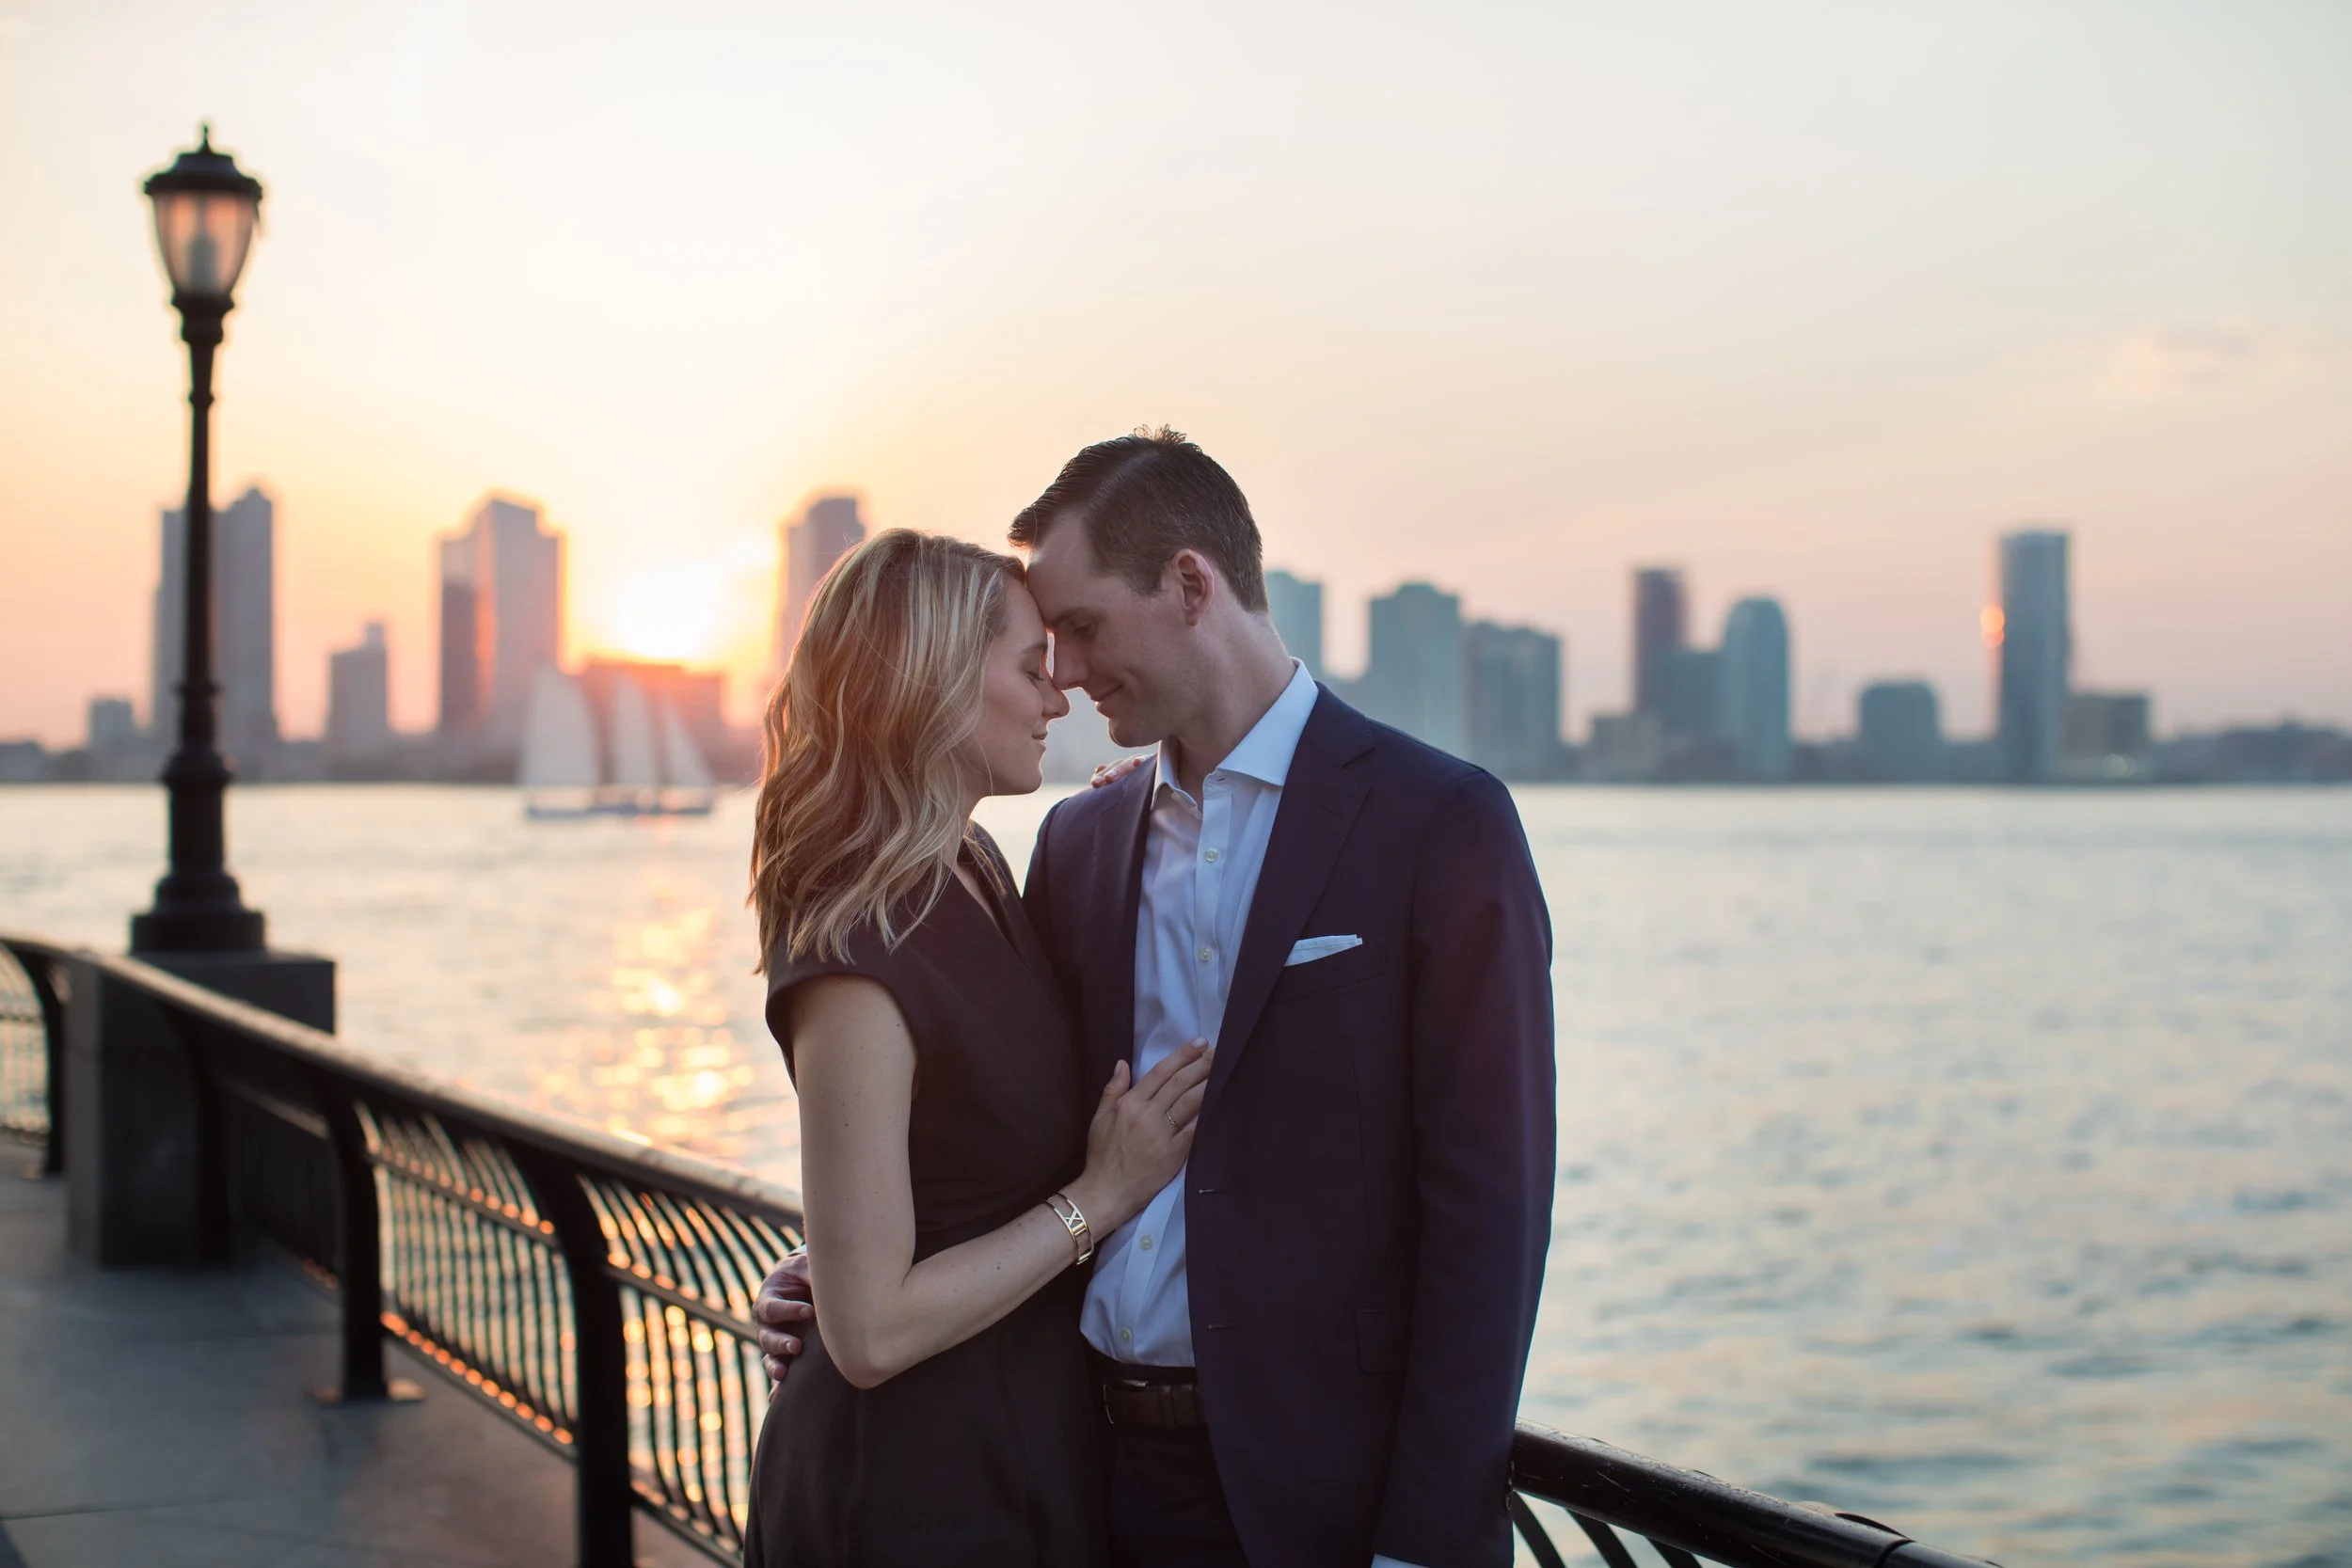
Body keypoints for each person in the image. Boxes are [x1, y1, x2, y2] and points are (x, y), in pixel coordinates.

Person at [759, 429, 1557, 1568]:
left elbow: (1491, 1212)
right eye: (1045, 645)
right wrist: (838, 1263)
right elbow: (982, 1109)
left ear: (1189, 585)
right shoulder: (1076, 842)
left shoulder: (1440, 825)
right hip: (1074, 1472)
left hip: (1313, 1497)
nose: (1068, 673)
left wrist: (1427, 1543)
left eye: (1082, 627)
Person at [741, 527, 1216, 1567]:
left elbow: (946, 1156)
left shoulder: (978, 865)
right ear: (937, 683)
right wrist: (1102, 1195)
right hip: (910, 1483)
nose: (1059, 696)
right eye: (1030, 666)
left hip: (1024, 1440)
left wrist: (1141, 821)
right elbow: (869, 1334)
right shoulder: (856, 940)